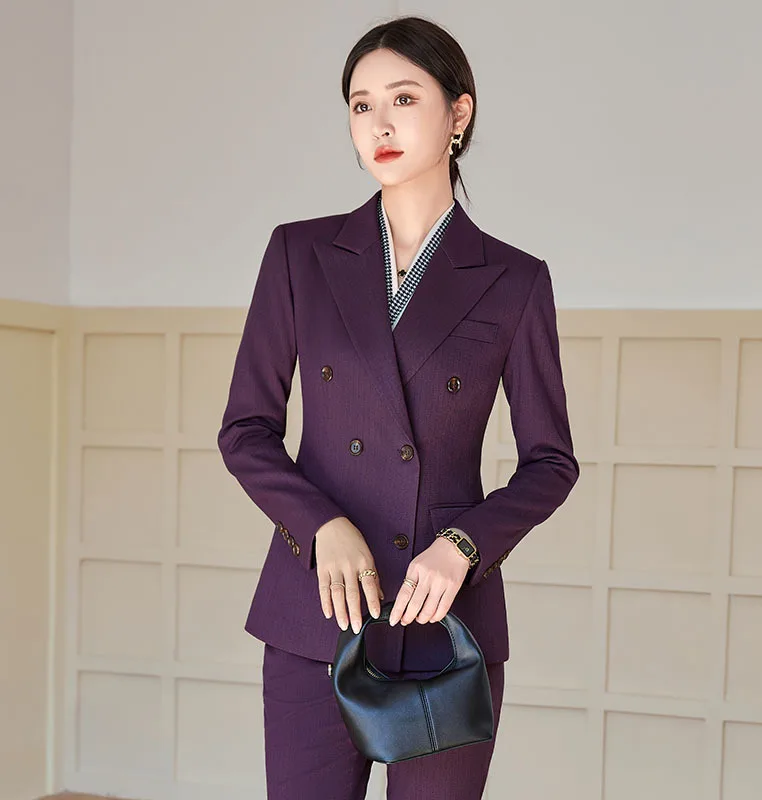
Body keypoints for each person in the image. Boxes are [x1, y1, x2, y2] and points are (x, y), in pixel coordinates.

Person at [217, 14, 580, 800]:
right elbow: (245, 430)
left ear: (458, 113)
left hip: (443, 616)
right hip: (317, 609)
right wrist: (321, 525)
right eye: (361, 105)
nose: (379, 124)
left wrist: (464, 546)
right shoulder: (299, 255)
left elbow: (552, 462)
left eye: (404, 99)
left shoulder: (514, 280)